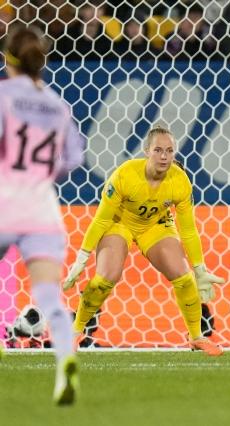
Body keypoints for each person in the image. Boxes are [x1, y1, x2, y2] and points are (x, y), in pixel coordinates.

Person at [63, 126, 226, 356]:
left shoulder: (180, 181)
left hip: (155, 224)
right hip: (120, 222)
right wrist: (81, 259)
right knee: (105, 278)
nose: (164, 156)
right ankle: (75, 332)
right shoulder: (125, 175)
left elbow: (188, 230)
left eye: (169, 151)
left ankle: (196, 337)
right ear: (147, 151)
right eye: (158, 150)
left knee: (185, 277)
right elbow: (101, 220)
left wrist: (200, 270)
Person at [0, 26, 84, 404]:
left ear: (8, 60)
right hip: (42, 209)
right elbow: (74, 158)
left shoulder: (3, 96)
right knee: (49, 295)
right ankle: (65, 362)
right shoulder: (57, 105)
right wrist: (45, 171)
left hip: (4, 203)